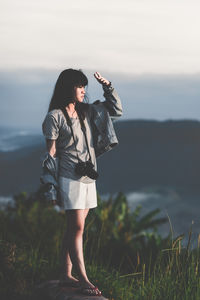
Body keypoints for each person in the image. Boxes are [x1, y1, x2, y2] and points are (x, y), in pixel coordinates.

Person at [42, 68, 122, 296]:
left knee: (74, 228)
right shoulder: (54, 117)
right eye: (80, 86)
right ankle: (83, 279)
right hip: (69, 177)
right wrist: (50, 188)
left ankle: (66, 274)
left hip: (89, 177)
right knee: (77, 228)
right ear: (68, 88)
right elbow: (51, 154)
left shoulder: (88, 112)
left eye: (84, 86)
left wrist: (108, 86)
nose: (83, 90)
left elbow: (116, 111)